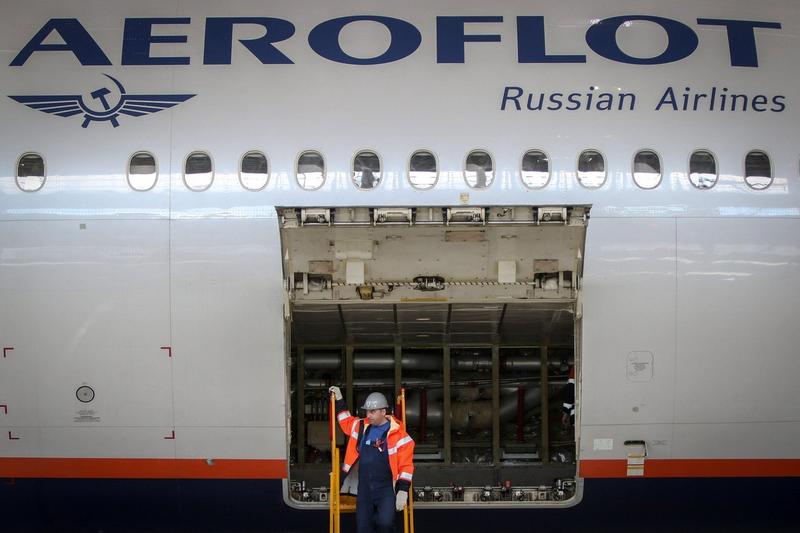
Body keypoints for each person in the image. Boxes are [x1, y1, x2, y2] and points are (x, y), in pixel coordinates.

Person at [329, 386, 414, 533]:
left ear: (383, 412)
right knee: (364, 528)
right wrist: (340, 399)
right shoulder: (360, 426)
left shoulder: (400, 436)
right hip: (364, 489)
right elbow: (345, 421)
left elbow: (406, 466)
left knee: (385, 524)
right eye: (367, 411)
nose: (368, 415)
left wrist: (403, 490)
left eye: (372, 411)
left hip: (386, 488)